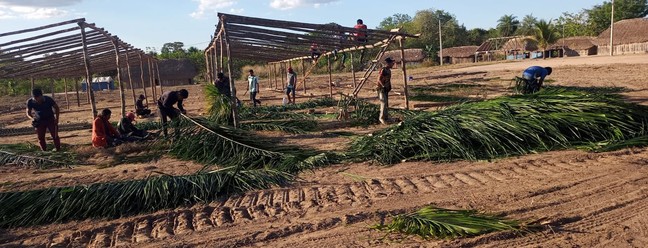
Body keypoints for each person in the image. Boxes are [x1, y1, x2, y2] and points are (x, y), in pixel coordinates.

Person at [377, 57, 395, 125]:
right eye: (392, 63)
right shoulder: (383, 70)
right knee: (383, 102)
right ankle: (381, 118)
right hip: (381, 89)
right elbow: (379, 79)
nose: (393, 64)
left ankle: (386, 117)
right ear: (388, 63)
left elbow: (388, 80)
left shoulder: (389, 70)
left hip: (386, 89)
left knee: (386, 104)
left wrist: (388, 87)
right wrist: (383, 86)